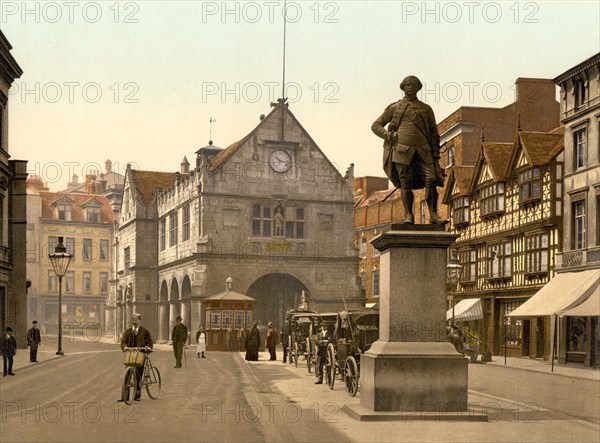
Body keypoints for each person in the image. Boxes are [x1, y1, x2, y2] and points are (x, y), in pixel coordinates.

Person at [372, 75, 445, 224]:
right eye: (407, 85)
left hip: (424, 151)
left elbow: (434, 134)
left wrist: (436, 156)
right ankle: (408, 215)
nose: (410, 87)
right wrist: (388, 135)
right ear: (403, 87)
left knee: (431, 180)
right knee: (405, 183)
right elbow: (376, 125)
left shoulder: (426, 109)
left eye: (413, 84)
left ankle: (433, 215)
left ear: (419, 87)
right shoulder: (395, 108)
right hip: (402, 150)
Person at [120, 313, 153, 401]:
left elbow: (149, 342)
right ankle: (124, 397)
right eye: (133, 320)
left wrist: (148, 347)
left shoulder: (145, 331)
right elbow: (123, 341)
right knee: (127, 375)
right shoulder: (128, 332)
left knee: (139, 374)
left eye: (136, 320)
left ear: (139, 320)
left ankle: (137, 396)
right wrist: (125, 347)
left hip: (141, 355)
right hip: (131, 355)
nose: (134, 322)